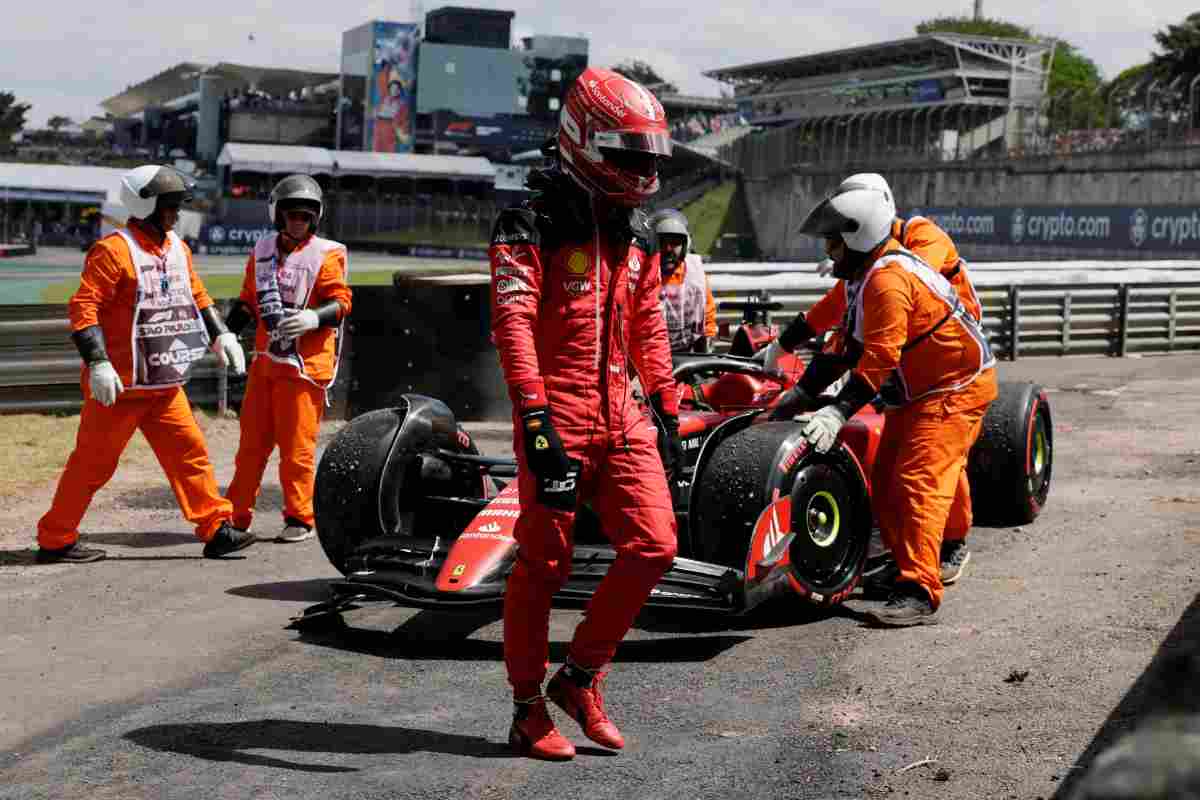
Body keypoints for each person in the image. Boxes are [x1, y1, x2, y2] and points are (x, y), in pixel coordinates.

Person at [490, 67, 682, 760]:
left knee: (656, 543)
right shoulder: (526, 222)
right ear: (583, 140)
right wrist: (535, 418)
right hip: (557, 411)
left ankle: (579, 677)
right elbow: (512, 324)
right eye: (627, 155)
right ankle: (524, 708)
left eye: (647, 158)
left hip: (623, 410)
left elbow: (650, 326)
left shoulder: (639, 232)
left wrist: (666, 404)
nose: (639, 171)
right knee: (544, 562)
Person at [764, 174, 996, 626]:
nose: (827, 251)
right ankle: (904, 562)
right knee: (886, 478)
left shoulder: (888, 281)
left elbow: (878, 359)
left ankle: (919, 589)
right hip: (916, 392)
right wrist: (801, 394)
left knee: (917, 482)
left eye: (832, 243)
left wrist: (836, 410)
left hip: (953, 389)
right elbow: (843, 348)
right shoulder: (863, 275)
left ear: (857, 236)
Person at [36, 165, 251, 564]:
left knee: (191, 455)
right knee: (92, 466)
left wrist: (223, 334)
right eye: (169, 206)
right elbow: (84, 307)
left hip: (164, 384)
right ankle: (55, 539)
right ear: (145, 204)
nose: (175, 214)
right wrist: (97, 362)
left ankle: (216, 529)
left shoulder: (178, 249)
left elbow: (198, 297)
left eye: (177, 206)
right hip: (119, 387)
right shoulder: (114, 250)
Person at [222, 175, 352, 544]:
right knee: (250, 448)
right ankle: (236, 515)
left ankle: (300, 517)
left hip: (304, 370)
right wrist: (228, 332)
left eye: (306, 217)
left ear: (316, 218)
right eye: (292, 215)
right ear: (278, 216)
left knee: (297, 451)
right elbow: (248, 300)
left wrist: (313, 317)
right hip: (265, 365)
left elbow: (342, 302)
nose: (299, 222)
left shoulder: (328, 253)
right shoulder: (262, 250)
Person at [652, 209, 717, 353]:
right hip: (651, 354)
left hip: (687, 353)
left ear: (685, 245)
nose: (668, 249)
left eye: (675, 243)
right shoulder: (641, 273)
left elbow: (708, 314)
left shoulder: (696, 273)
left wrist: (706, 351)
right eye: (662, 243)